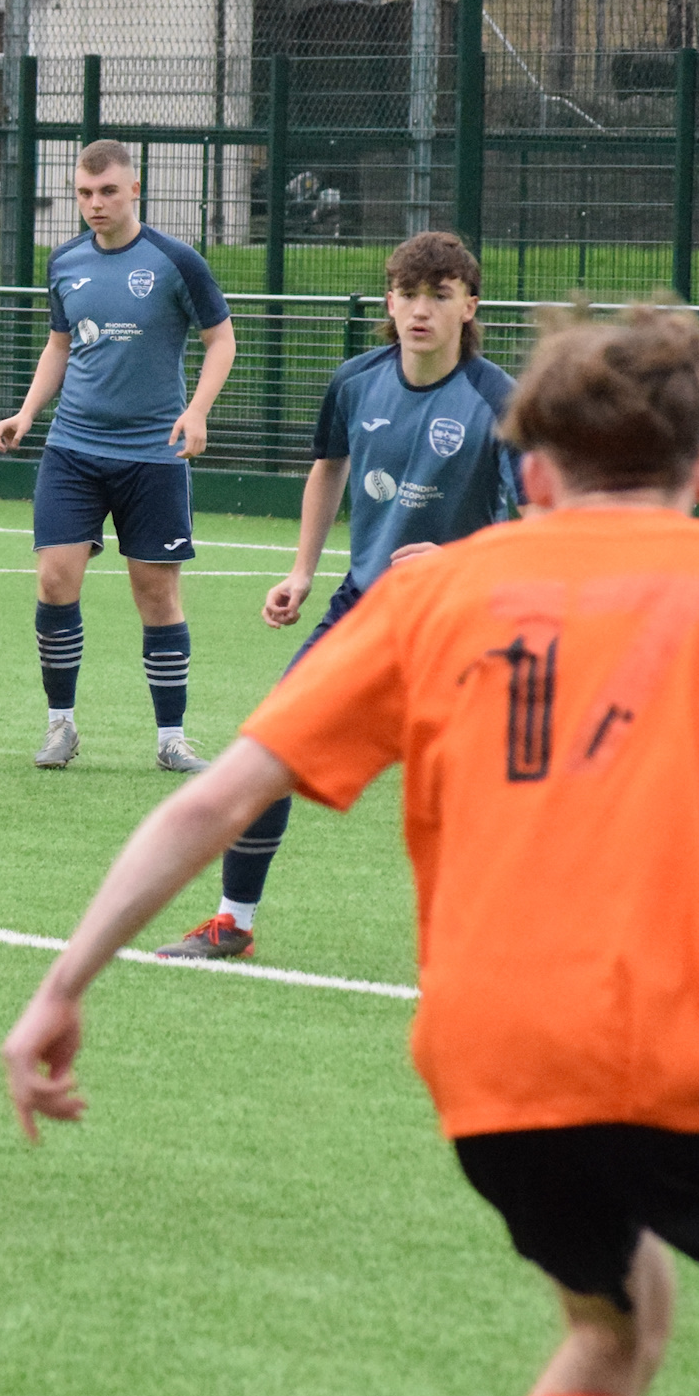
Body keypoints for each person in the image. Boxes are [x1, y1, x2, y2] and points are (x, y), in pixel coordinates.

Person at [2, 305, 699, 1396]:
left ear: (539, 479)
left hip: (489, 1072)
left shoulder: (431, 594)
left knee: (616, 1322)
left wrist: (62, 983)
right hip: (676, 1043)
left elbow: (215, 802)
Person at [161, 231, 518, 960]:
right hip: (363, 607)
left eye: (439, 296)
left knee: (500, 781)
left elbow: (540, 521)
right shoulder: (356, 381)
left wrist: (460, 559)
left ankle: (520, 940)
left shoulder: (501, 401)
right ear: (389, 301)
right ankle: (233, 922)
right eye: (408, 294)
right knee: (270, 746)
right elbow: (328, 469)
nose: (419, 310)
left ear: (469, 306)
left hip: (464, 617)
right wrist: (301, 571)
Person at [0, 138, 239, 774]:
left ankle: (171, 738)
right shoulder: (65, 262)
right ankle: (60, 726)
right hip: (73, 449)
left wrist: (197, 410)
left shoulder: (177, 262)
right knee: (54, 579)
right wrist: (27, 413)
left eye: (107, 192)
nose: (94, 204)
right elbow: (59, 346)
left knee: (155, 595)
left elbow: (221, 340)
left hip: (153, 455)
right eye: (84, 194)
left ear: (135, 191)